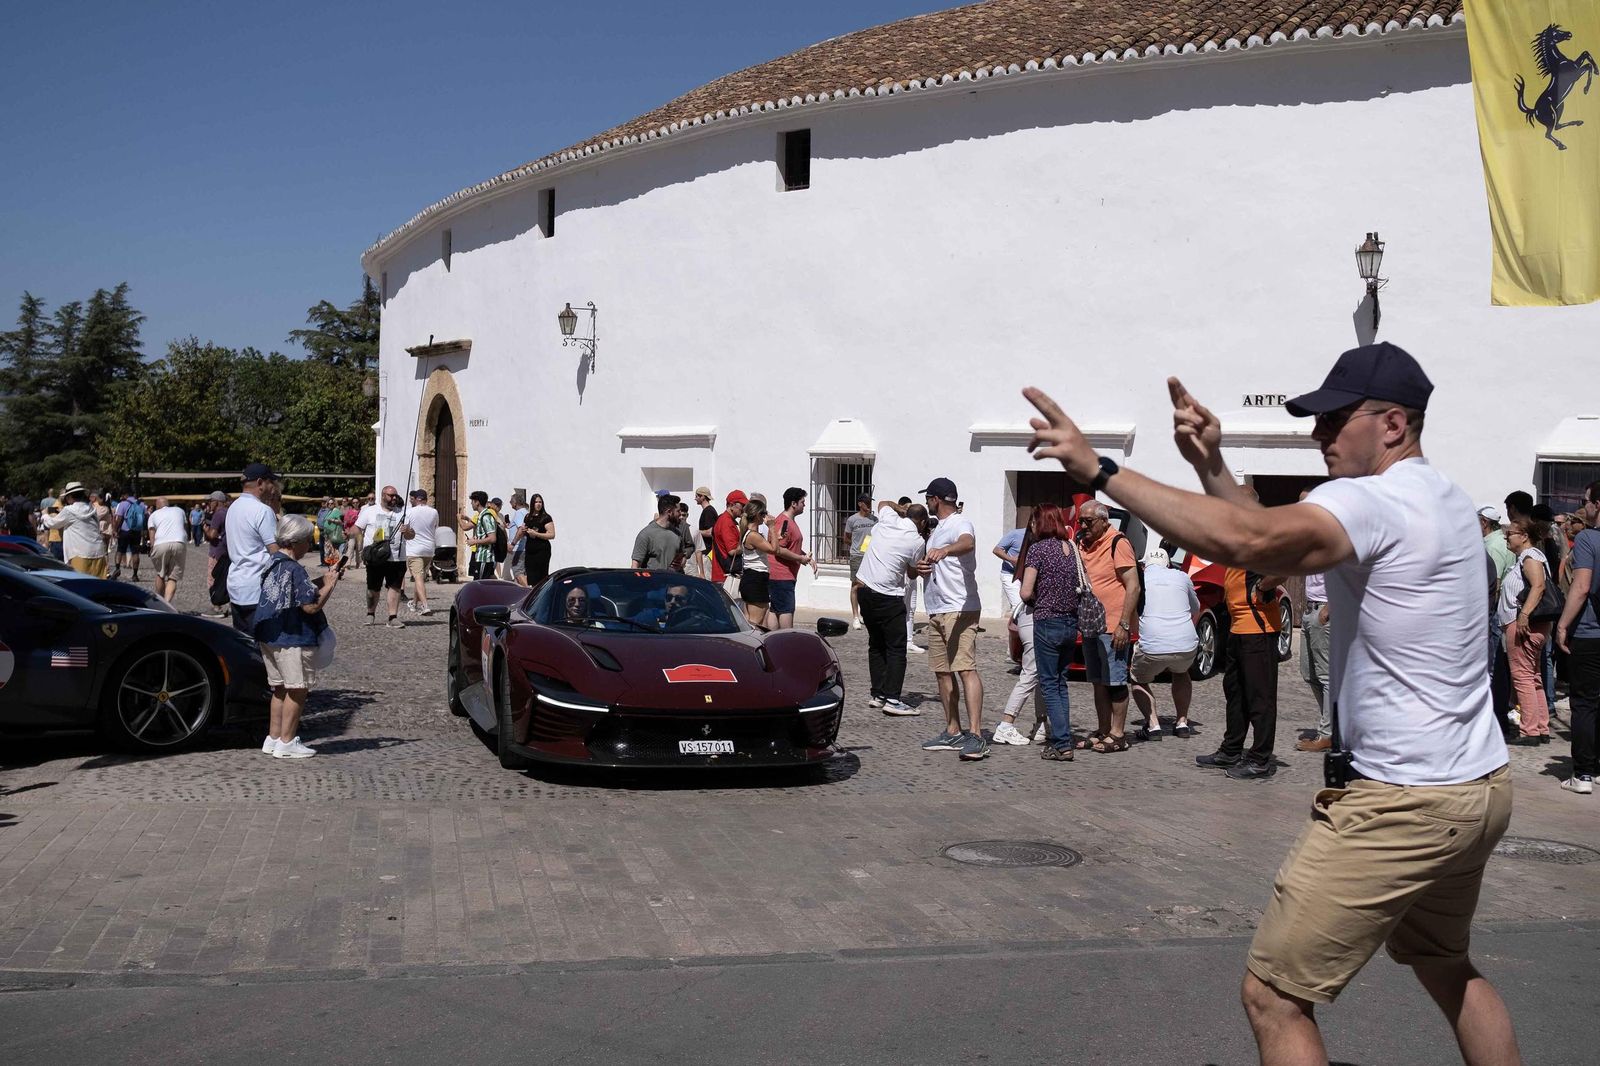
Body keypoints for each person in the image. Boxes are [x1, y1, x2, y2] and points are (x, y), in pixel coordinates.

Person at [1023, 341, 1517, 1065]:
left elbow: (1252, 539)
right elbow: (1266, 543)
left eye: (1335, 420)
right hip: (1477, 786)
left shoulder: (1371, 499)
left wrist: (1099, 470)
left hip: (1402, 799)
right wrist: (1211, 467)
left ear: (1392, 424)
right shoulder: (1442, 497)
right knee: (1446, 964)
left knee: (1274, 997)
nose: (1319, 434)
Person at [1198, 492, 1286, 781]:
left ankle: (1260, 759)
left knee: (1260, 698)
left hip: (1258, 629)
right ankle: (1231, 749)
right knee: (1235, 694)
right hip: (1237, 629)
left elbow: (1283, 568)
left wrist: (1262, 587)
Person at [254, 514, 344, 759]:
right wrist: (330, 585)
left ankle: (273, 738)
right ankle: (287, 742)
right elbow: (310, 606)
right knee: (297, 689)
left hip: (269, 635)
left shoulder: (273, 562)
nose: (309, 545)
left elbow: (295, 590)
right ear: (295, 542)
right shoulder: (295, 568)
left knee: (279, 688)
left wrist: (323, 579)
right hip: (292, 637)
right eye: (307, 541)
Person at [912, 477, 987, 761]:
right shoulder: (937, 529)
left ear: (935, 499)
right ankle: (953, 730)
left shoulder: (959, 523)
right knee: (942, 671)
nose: (927, 503)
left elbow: (967, 542)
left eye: (928, 499)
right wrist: (921, 567)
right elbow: (934, 563)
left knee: (965, 668)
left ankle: (976, 735)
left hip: (960, 607)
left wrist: (945, 550)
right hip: (937, 608)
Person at [1011, 502, 1082, 755]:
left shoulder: (1038, 550)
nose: (1031, 525)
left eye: (1033, 521)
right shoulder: (1071, 548)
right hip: (1070, 622)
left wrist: (1038, 597)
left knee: (1049, 684)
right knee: (1061, 683)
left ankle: (1061, 744)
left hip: (1047, 621)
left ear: (1041, 523)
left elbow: (1025, 591)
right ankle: (1064, 738)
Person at [1075, 500, 1140, 753]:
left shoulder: (1118, 543)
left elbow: (1133, 586)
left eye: (1088, 521)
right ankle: (1103, 730)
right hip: (1091, 624)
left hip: (1113, 625)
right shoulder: (1082, 543)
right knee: (1098, 681)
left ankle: (1118, 734)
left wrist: (1124, 624)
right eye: (1081, 521)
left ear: (1104, 521)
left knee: (1115, 681)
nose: (1083, 525)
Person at [855, 498, 929, 716]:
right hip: (888, 596)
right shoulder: (916, 541)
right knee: (896, 648)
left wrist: (900, 509)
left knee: (876, 644)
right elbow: (912, 574)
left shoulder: (888, 520)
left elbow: (883, 503)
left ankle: (878, 694)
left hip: (864, 590)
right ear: (922, 522)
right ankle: (893, 699)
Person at [1554, 479, 1600, 795]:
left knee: (1584, 703)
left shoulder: (1587, 539)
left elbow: (1581, 587)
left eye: (1585, 501)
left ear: (1597, 504)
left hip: (1589, 631)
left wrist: (1562, 625)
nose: (1583, 506)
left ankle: (1583, 773)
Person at [1128, 547, 1200, 742]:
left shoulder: (1140, 579)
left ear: (1144, 565)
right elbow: (1196, 608)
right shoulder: (1182, 576)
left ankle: (1153, 725)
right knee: (1181, 672)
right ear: (1168, 564)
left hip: (1153, 645)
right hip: (1186, 643)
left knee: (1138, 679)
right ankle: (1182, 722)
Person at [1499, 515, 1552, 744]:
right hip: (1530, 625)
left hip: (1524, 625)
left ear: (1524, 536)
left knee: (1522, 677)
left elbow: (1538, 586)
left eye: (1510, 534)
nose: (1506, 538)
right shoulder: (1526, 557)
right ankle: (1540, 727)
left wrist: (1523, 615)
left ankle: (1529, 730)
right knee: (1533, 676)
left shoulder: (1530, 557)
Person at [1296, 489, 1333, 752]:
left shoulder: (1328, 535)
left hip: (1323, 611)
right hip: (1310, 610)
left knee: (1326, 675)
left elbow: (1346, 571)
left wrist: (1330, 607)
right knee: (1309, 673)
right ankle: (1331, 725)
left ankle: (1328, 733)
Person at [224, 464, 282, 634]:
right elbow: (275, 551)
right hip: (257, 587)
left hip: (236, 585)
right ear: (260, 483)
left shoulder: (233, 507)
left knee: (243, 642)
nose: (273, 488)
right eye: (271, 482)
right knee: (263, 643)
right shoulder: (262, 510)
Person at [356, 485, 410, 626]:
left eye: (395, 495)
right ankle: (370, 613)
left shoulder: (403, 513)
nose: (394, 498)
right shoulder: (369, 511)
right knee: (373, 588)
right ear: (383, 496)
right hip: (376, 556)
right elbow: (357, 528)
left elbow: (411, 535)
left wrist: (408, 531)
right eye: (391, 495)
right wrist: (362, 546)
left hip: (396, 557)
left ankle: (393, 617)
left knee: (395, 587)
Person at [767, 488, 816, 630]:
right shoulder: (784, 523)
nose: (804, 505)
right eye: (802, 502)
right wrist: (800, 558)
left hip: (784, 575)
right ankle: (786, 638)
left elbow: (791, 546)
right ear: (793, 504)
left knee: (776, 609)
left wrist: (806, 557)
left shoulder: (788, 521)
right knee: (785, 610)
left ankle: (775, 638)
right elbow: (779, 549)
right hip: (781, 575)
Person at [44, 482, 109, 576]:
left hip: (80, 553)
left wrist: (45, 515)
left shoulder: (69, 510)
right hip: (98, 552)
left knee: (80, 583)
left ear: (70, 497)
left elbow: (52, 523)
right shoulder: (92, 509)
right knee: (98, 583)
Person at [993, 518, 1027, 664]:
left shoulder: (1041, 538)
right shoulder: (1015, 534)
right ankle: (1013, 652)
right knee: (1018, 608)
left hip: (1027, 576)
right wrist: (1011, 559)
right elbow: (996, 549)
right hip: (1010, 575)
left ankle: (1020, 651)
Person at [737, 498, 775, 627]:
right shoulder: (753, 535)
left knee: (751, 621)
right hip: (756, 578)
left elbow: (767, 547)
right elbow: (773, 550)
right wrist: (772, 527)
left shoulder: (751, 533)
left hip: (752, 578)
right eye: (763, 513)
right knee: (755, 622)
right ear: (757, 515)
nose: (765, 516)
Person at [146, 495, 189, 604]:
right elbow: (184, 526)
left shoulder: (153, 515)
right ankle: (167, 603)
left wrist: (152, 547)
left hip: (160, 543)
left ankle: (159, 602)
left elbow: (152, 533)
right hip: (179, 542)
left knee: (160, 573)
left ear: (157, 505)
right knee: (173, 577)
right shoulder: (179, 510)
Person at [403, 489, 439, 614]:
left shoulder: (409, 512)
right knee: (420, 579)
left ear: (416, 499)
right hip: (429, 549)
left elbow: (405, 529)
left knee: (418, 578)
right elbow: (435, 527)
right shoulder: (434, 512)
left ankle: (425, 606)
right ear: (426, 499)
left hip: (414, 549)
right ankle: (414, 603)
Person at [844, 495, 878, 629]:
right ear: (860, 504)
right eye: (866, 503)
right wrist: (856, 546)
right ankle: (855, 616)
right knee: (856, 585)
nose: (869, 505)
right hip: (857, 556)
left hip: (870, 556)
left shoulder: (875, 520)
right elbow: (846, 538)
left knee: (869, 586)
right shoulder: (852, 520)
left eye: (870, 502)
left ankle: (866, 613)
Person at [631, 494, 684, 570]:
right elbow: (635, 566)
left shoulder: (677, 534)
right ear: (669, 512)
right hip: (652, 577)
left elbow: (680, 560)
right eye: (678, 511)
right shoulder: (646, 534)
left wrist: (678, 565)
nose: (680, 515)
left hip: (672, 577)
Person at [513, 493, 555, 587]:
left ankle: (542, 592)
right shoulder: (528, 517)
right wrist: (523, 532)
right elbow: (522, 530)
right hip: (530, 550)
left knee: (541, 576)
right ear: (532, 503)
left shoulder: (546, 517)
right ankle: (533, 592)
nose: (538, 504)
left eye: (540, 502)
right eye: (536, 502)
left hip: (542, 550)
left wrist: (536, 534)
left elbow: (552, 535)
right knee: (531, 576)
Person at [710, 490, 747, 593]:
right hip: (726, 577)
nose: (744, 508)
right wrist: (749, 546)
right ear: (731, 505)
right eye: (742, 505)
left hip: (724, 575)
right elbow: (732, 551)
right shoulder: (727, 522)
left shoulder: (725, 519)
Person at [203, 490, 231, 616]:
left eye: (211, 501)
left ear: (217, 502)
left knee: (212, 578)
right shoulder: (228, 512)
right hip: (226, 550)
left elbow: (213, 535)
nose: (209, 503)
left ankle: (216, 606)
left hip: (216, 551)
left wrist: (206, 530)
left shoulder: (218, 515)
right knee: (226, 578)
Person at [463, 491, 500, 580]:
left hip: (485, 558)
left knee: (479, 584)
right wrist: (476, 538)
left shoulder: (486, 517)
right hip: (481, 557)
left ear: (477, 502)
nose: (471, 504)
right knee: (483, 584)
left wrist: (475, 541)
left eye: (472, 501)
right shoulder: (481, 516)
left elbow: (492, 538)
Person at [111, 491, 147, 581]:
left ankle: (117, 568)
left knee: (120, 550)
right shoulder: (141, 505)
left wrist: (115, 530)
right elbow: (144, 519)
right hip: (136, 532)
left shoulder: (123, 504)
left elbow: (119, 519)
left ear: (126, 495)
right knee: (135, 553)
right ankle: (135, 575)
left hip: (125, 531)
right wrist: (143, 532)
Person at [503, 493, 528, 580]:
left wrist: (512, 544)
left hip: (518, 548)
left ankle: (527, 588)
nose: (510, 503)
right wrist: (510, 526)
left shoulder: (519, 513)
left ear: (515, 502)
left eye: (511, 501)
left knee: (518, 573)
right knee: (520, 573)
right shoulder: (525, 512)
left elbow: (521, 529)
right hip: (523, 548)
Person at [695, 487, 718, 580]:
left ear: (703, 497)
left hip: (708, 552)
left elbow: (711, 532)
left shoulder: (708, 511)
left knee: (707, 579)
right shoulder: (708, 511)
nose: (695, 498)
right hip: (707, 552)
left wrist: (696, 532)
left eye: (697, 496)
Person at [674, 499, 697, 575]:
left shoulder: (692, 529)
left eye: (683, 515)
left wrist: (685, 556)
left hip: (690, 568)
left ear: (687, 515)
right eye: (679, 514)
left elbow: (697, 550)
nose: (681, 517)